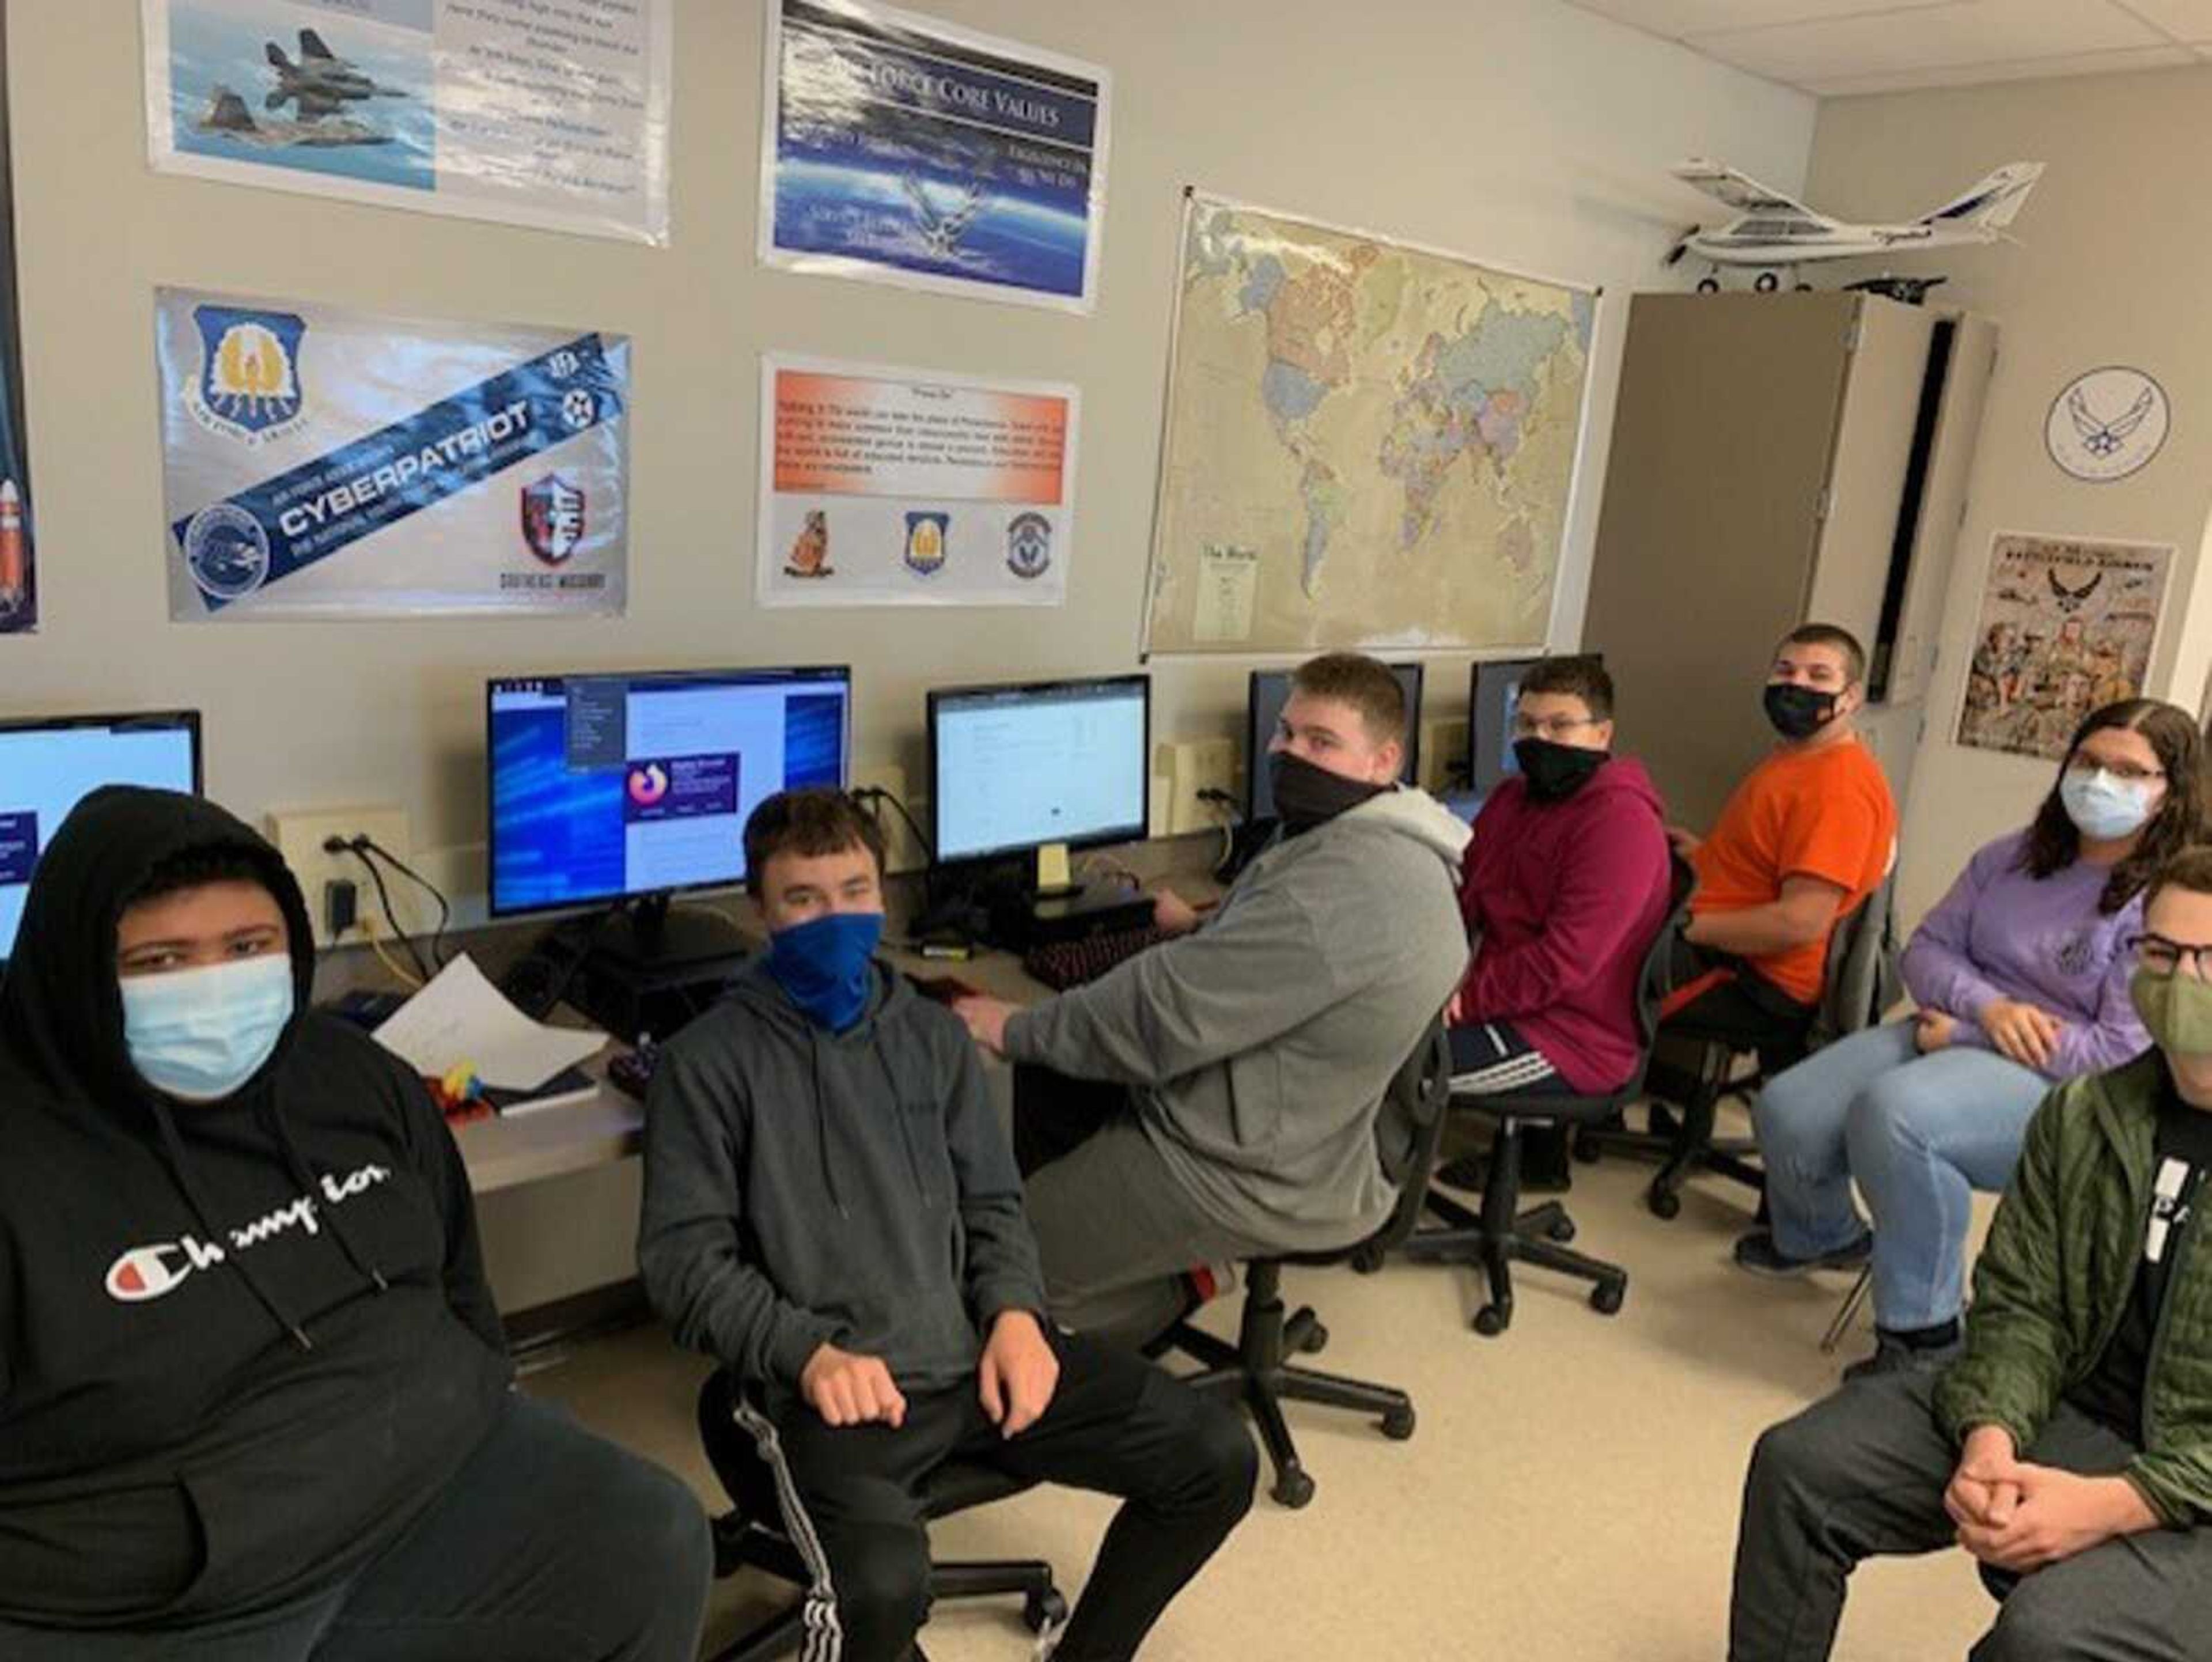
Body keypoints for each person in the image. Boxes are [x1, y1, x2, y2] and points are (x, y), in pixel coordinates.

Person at [0, 788, 710, 1661]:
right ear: (77, 971)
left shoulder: (350, 1078)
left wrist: (466, 1400)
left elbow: (459, 1281)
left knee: (653, 1535)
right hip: (165, 1592)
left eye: (248, 948)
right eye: (161, 961)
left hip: (423, 1466)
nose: (214, 988)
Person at [638, 789, 1256, 1662]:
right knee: (881, 1595)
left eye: (854, 891)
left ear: (882, 897)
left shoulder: (930, 1037)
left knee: (1215, 1458)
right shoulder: (707, 1065)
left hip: (976, 1358)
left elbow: (995, 1204)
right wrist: (808, 1353)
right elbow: (685, 1267)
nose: (833, 918)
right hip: (826, 1387)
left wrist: (1014, 1312)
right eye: (802, 899)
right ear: (759, 913)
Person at [1728, 845, 2212, 1662]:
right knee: (1800, 1468)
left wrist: (2117, 1503)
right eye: (2160, 953)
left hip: (2192, 1477)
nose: (2181, 979)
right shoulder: (2086, 1114)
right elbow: (2024, 1303)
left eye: (2209, 957)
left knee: (2044, 1637)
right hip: (2069, 1403)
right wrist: (1991, 1435)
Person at [955, 652, 1470, 1349]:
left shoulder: (1339, 884)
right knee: (1059, 1081)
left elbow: (1163, 1012)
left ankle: (1159, 1293)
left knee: (998, 1264)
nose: (1290, 753)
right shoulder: (1399, 844)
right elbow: (1298, 958)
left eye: (1322, 741)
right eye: (1287, 733)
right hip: (1313, 1129)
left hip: (1242, 1165)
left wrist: (1015, 1027)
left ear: (1384, 759)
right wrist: (1206, 929)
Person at [1737, 699, 2204, 1379]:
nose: (2102, 782)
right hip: (1965, 1026)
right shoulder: (2014, 854)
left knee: (1898, 1119)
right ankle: (1826, 1236)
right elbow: (1925, 952)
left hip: (2065, 1084)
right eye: (2090, 762)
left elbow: (2114, 1050)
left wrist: (1963, 1031)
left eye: (2130, 772)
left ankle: (1924, 1332)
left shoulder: (2160, 902)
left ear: (2172, 791)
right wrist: (1988, 1009)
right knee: (1788, 1106)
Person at [1438, 653, 1671, 1191]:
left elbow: (1563, 962)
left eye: (1560, 725)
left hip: (1568, 1036)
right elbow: (1472, 895)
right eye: (1526, 724)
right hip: (1516, 1002)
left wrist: (1465, 1000)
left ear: (1602, 733)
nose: (1539, 738)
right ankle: (1534, 1159)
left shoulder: (1621, 823)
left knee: (1398, 1055)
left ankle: (1372, 1206)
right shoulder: (1514, 798)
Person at [1665, 623, 1899, 1071]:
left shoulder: (1837, 789)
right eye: (1785, 670)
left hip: (1757, 978)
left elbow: (1799, 922)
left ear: (1851, 698)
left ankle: (1556, 1127)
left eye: (1819, 676)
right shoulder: (1802, 757)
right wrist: (1707, 856)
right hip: (1731, 942)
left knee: (1597, 978)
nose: (1797, 685)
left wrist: (1685, 927)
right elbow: (1771, 856)